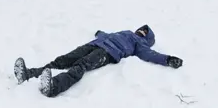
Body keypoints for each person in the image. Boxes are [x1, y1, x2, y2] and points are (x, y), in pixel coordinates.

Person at [13, 25, 183, 97]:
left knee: (81, 65)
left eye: (145, 32)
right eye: (142, 29)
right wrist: (99, 33)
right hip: (95, 44)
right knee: (62, 60)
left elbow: (151, 55)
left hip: (108, 53)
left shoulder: (140, 45)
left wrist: (168, 59)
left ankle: (54, 87)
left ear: (147, 38)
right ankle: (29, 74)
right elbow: (108, 35)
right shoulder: (125, 31)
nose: (142, 31)